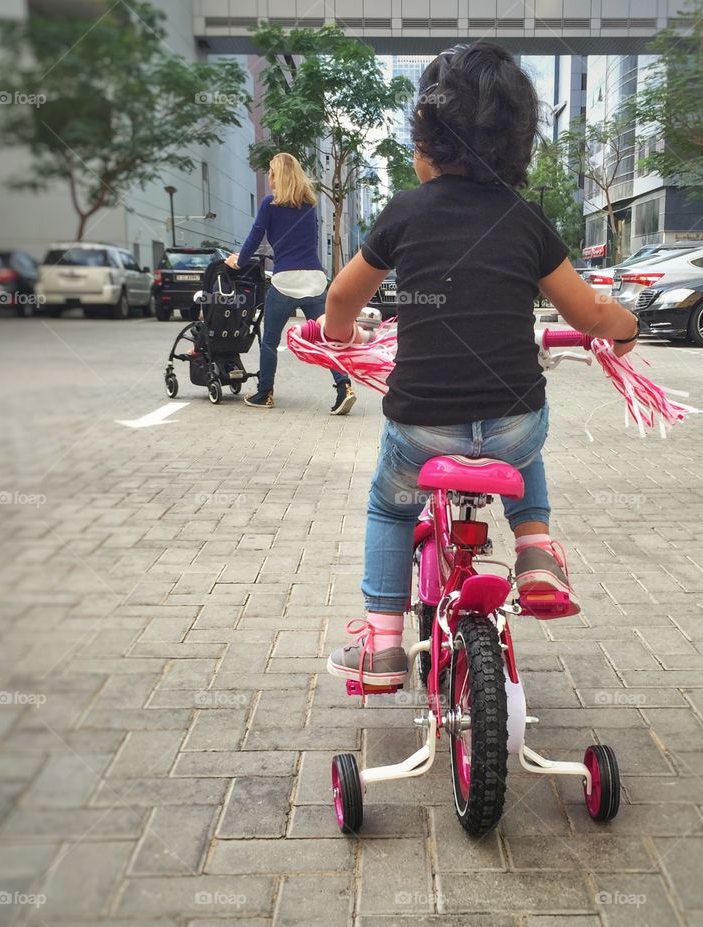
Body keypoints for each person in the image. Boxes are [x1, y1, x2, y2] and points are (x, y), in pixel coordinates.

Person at [319, 42, 641, 685]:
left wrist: (337, 334)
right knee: (527, 442)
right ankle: (536, 553)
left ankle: (381, 645)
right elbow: (587, 314)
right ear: (516, 144)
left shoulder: (404, 213)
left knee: (391, 507)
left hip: (420, 429)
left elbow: (340, 296)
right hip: (510, 423)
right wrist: (626, 327)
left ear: (427, 147)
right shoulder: (526, 220)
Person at [226, 153, 356, 414]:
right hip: (315, 281)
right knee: (327, 339)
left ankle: (265, 393)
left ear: (278, 176)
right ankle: (344, 387)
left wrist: (238, 261)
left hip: (285, 281)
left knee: (270, 342)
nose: (269, 178)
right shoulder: (309, 204)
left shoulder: (269, 204)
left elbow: (255, 237)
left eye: (271, 173)